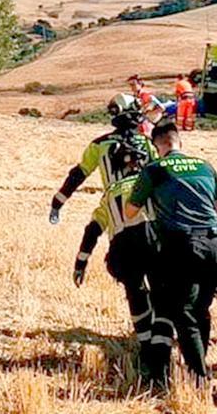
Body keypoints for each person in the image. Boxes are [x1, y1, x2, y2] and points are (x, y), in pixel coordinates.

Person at [125, 122, 217, 390]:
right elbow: (216, 205)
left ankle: (199, 380)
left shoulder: (155, 169)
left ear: (158, 145)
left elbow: (131, 210)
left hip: (182, 244)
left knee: (184, 314)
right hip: (215, 242)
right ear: (178, 141)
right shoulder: (206, 166)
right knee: (201, 309)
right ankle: (200, 361)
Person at [72, 143, 160, 376]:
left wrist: (81, 262)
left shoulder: (110, 192)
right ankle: (161, 346)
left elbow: (93, 229)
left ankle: (144, 345)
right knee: (161, 293)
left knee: (135, 294)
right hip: (152, 240)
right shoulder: (151, 181)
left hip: (123, 248)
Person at [49, 94, 157, 224]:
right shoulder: (148, 143)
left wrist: (57, 204)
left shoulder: (99, 145)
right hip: (147, 209)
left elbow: (77, 175)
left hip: (116, 212)